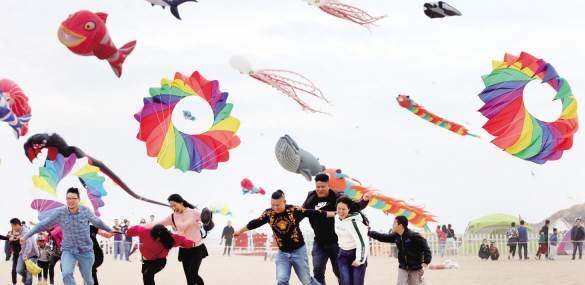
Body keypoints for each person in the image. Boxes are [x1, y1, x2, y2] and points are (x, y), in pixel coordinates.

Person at [235, 189, 334, 285]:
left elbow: (314, 213)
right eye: (272, 205)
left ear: (284, 202)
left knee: (306, 281)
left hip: (299, 251)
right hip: (283, 253)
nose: (275, 207)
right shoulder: (269, 214)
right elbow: (255, 223)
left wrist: (334, 214)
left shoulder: (294, 210)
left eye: (278, 205)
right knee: (282, 280)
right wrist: (239, 231)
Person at [21, 187, 114, 285]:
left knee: (88, 279)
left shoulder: (85, 211)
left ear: (78, 199)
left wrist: (110, 230)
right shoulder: (60, 212)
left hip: (85, 250)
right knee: (66, 274)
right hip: (68, 250)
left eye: (73, 198)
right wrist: (26, 236)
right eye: (68, 198)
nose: (71, 201)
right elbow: (43, 224)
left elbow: (98, 222)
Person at [302, 173, 369, 285]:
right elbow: (301, 212)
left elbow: (352, 207)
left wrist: (364, 201)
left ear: (328, 185)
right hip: (319, 242)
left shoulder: (336, 197)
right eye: (318, 187)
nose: (320, 189)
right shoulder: (311, 198)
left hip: (336, 243)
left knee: (339, 272)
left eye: (323, 187)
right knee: (317, 271)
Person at [151, 194, 209, 285]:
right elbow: (158, 223)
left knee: (193, 275)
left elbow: (207, 220)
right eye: (171, 206)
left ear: (181, 202)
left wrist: (208, 214)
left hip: (197, 248)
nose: (173, 208)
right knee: (189, 278)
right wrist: (141, 227)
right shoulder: (173, 217)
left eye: (174, 205)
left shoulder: (194, 212)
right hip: (184, 250)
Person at [368, 216, 432, 285]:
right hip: (403, 267)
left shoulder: (413, 236)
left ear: (400, 226)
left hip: (415, 268)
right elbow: (383, 237)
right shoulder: (396, 236)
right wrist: (369, 233)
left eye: (394, 223)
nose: (392, 225)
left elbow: (426, 247)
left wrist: (426, 261)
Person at [126, 224, 196, 285]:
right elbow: (135, 229)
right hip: (146, 260)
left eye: (159, 238)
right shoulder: (145, 231)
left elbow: (183, 240)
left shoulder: (170, 238)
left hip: (160, 261)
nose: (157, 239)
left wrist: (193, 243)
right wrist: (128, 232)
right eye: (155, 237)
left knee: (147, 274)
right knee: (146, 276)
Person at [334, 197, 369, 285]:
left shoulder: (354, 222)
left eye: (343, 209)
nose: (341, 211)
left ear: (349, 209)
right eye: (338, 209)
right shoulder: (336, 218)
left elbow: (363, 242)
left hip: (356, 253)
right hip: (343, 255)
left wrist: (360, 259)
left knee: (356, 283)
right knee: (345, 282)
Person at [14, 218, 39, 285]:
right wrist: (22, 252)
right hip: (23, 253)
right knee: (19, 270)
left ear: (16, 225)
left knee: (29, 275)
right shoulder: (20, 232)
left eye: (13, 226)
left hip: (32, 254)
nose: (12, 228)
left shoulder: (26, 232)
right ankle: (24, 276)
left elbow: (29, 245)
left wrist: (25, 255)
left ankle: (27, 278)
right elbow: (23, 245)